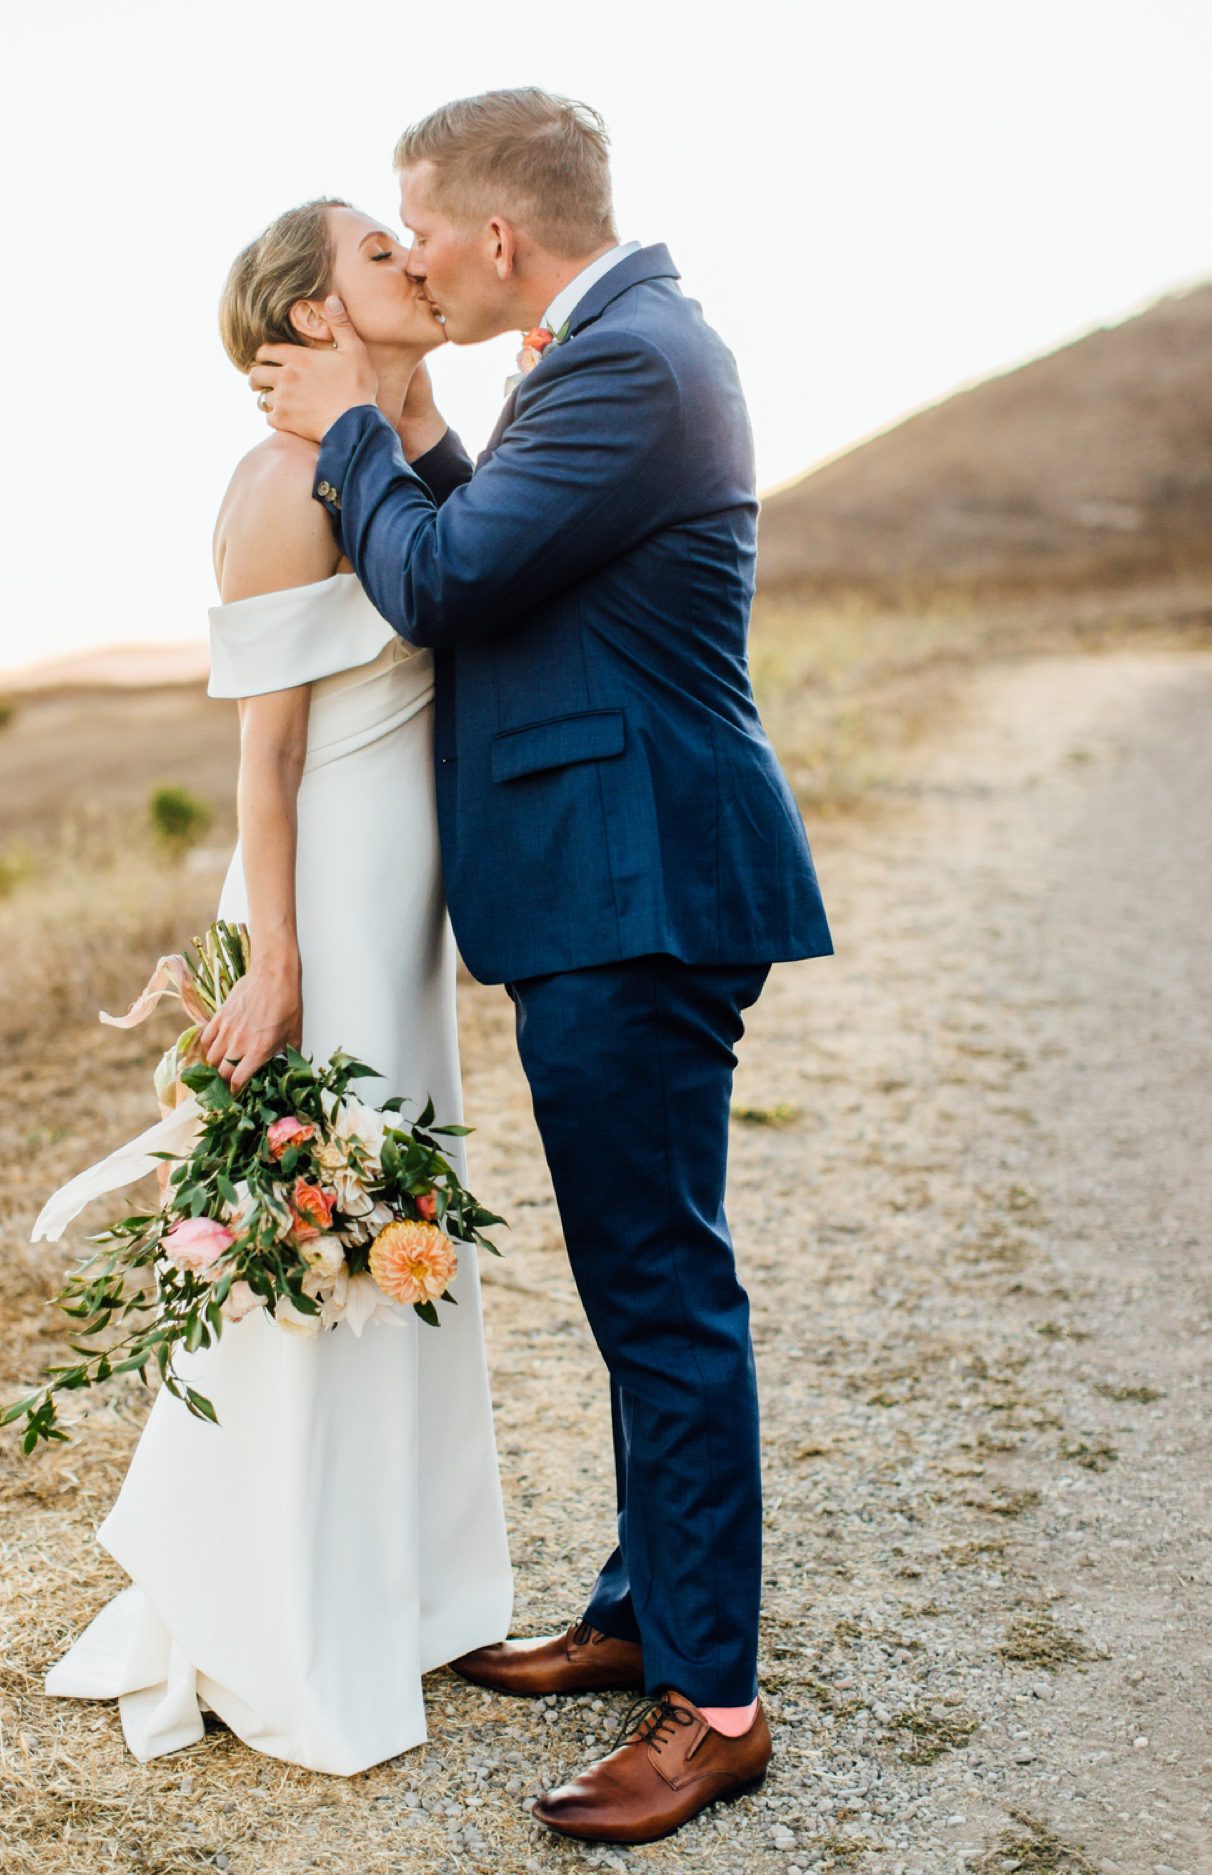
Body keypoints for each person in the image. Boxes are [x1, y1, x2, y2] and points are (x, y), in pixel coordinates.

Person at [249, 88, 834, 1844]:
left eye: (419, 228)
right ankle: (644, 1611)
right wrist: (407, 437)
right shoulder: (605, 354)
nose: (411, 259)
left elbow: (436, 588)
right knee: (641, 1279)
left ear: (497, 240)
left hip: (636, 890)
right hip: (611, 885)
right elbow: (506, 566)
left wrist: (353, 429)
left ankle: (713, 1708)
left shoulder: (631, 362)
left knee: (661, 1292)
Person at [42, 198, 513, 1776]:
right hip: (318, 888)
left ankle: (407, 1586)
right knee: (314, 1219)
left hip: (405, 902)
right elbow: (269, 751)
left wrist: (425, 405)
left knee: (402, 1215)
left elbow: (478, 562)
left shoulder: (406, 463)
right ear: (313, 312)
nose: (416, 262)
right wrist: (284, 957)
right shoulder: (275, 482)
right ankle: (276, 1606)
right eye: (381, 253)